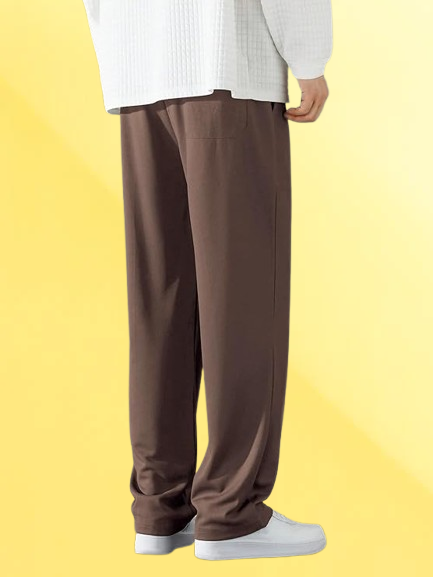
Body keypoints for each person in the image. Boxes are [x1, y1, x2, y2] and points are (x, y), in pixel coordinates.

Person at [83, 0, 333, 561]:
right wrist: (309, 57)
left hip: (139, 79)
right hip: (225, 66)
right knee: (242, 298)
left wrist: (121, 59)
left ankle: (160, 507)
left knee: (161, 302)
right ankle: (231, 511)